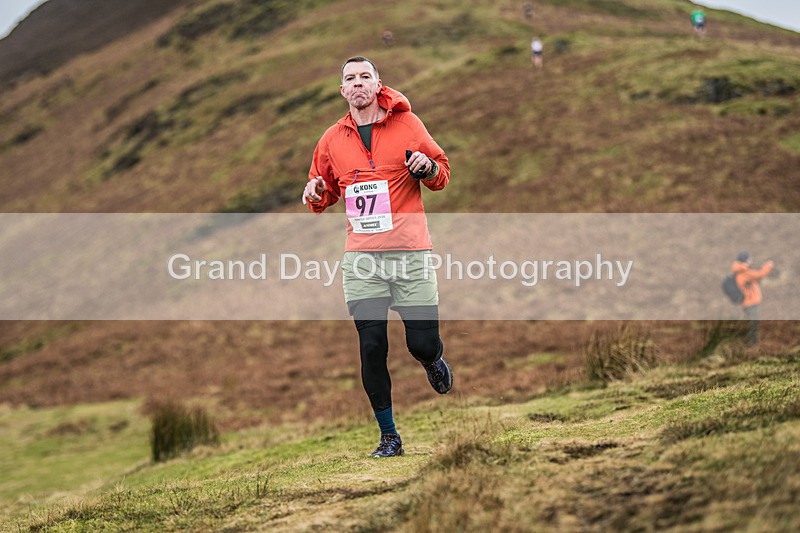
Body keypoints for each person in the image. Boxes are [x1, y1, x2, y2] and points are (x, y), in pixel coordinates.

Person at [302, 56, 453, 458]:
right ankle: (389, 436)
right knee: (371, 346)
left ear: (377, 84)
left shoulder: (408, 125)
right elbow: (323, 188)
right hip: (362, 260)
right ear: (342, 90)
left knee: (420, 344)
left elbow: (442, 173)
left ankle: (432, 358)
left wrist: (426, 167)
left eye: (364, 77)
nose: (357, 84)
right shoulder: (332, 139)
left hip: (410, 253)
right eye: (349, 79)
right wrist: (315, 194)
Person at [731, 251, 774, 345]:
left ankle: (749, 343)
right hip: (750, 303)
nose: (751, 261)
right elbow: (760, 274)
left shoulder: (740, 271)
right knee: (753, 324)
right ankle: (751, 344)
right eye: (749, 259)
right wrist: (768, 265)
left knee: (751, 323)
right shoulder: (744, 271)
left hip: (747, 303)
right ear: (745, 260)